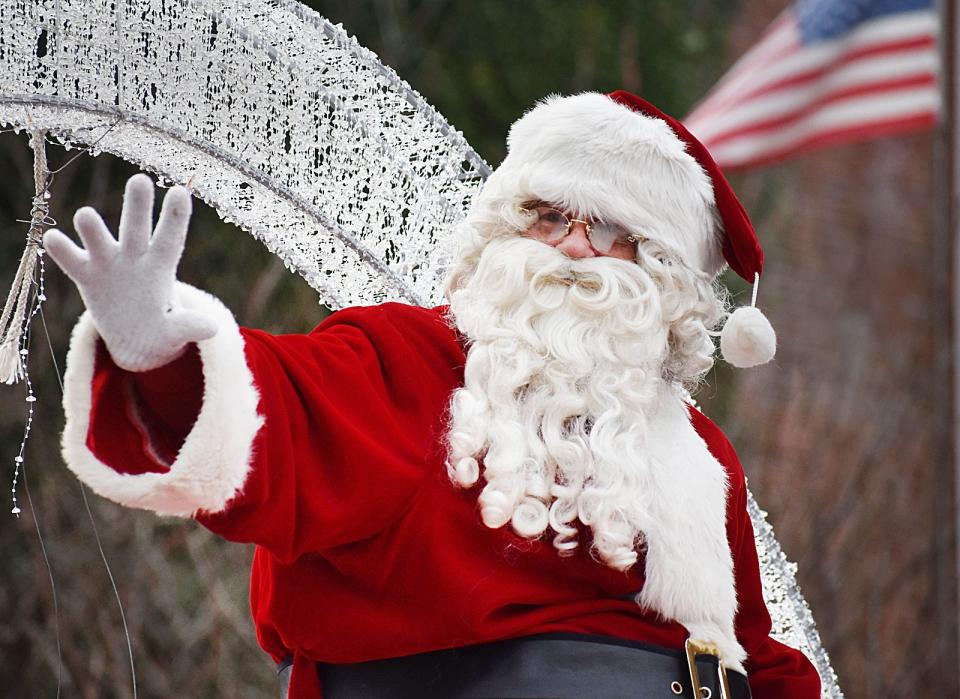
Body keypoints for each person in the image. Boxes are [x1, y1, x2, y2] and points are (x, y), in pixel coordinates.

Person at [43, 91, 821, 698]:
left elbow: (756, 650)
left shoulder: (697, 451)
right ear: (503, 233)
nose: (574, 247)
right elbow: (279, 413)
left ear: (661, 276)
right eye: (548, 216)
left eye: (613, 230)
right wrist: (161, 353)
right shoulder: (411, 359)